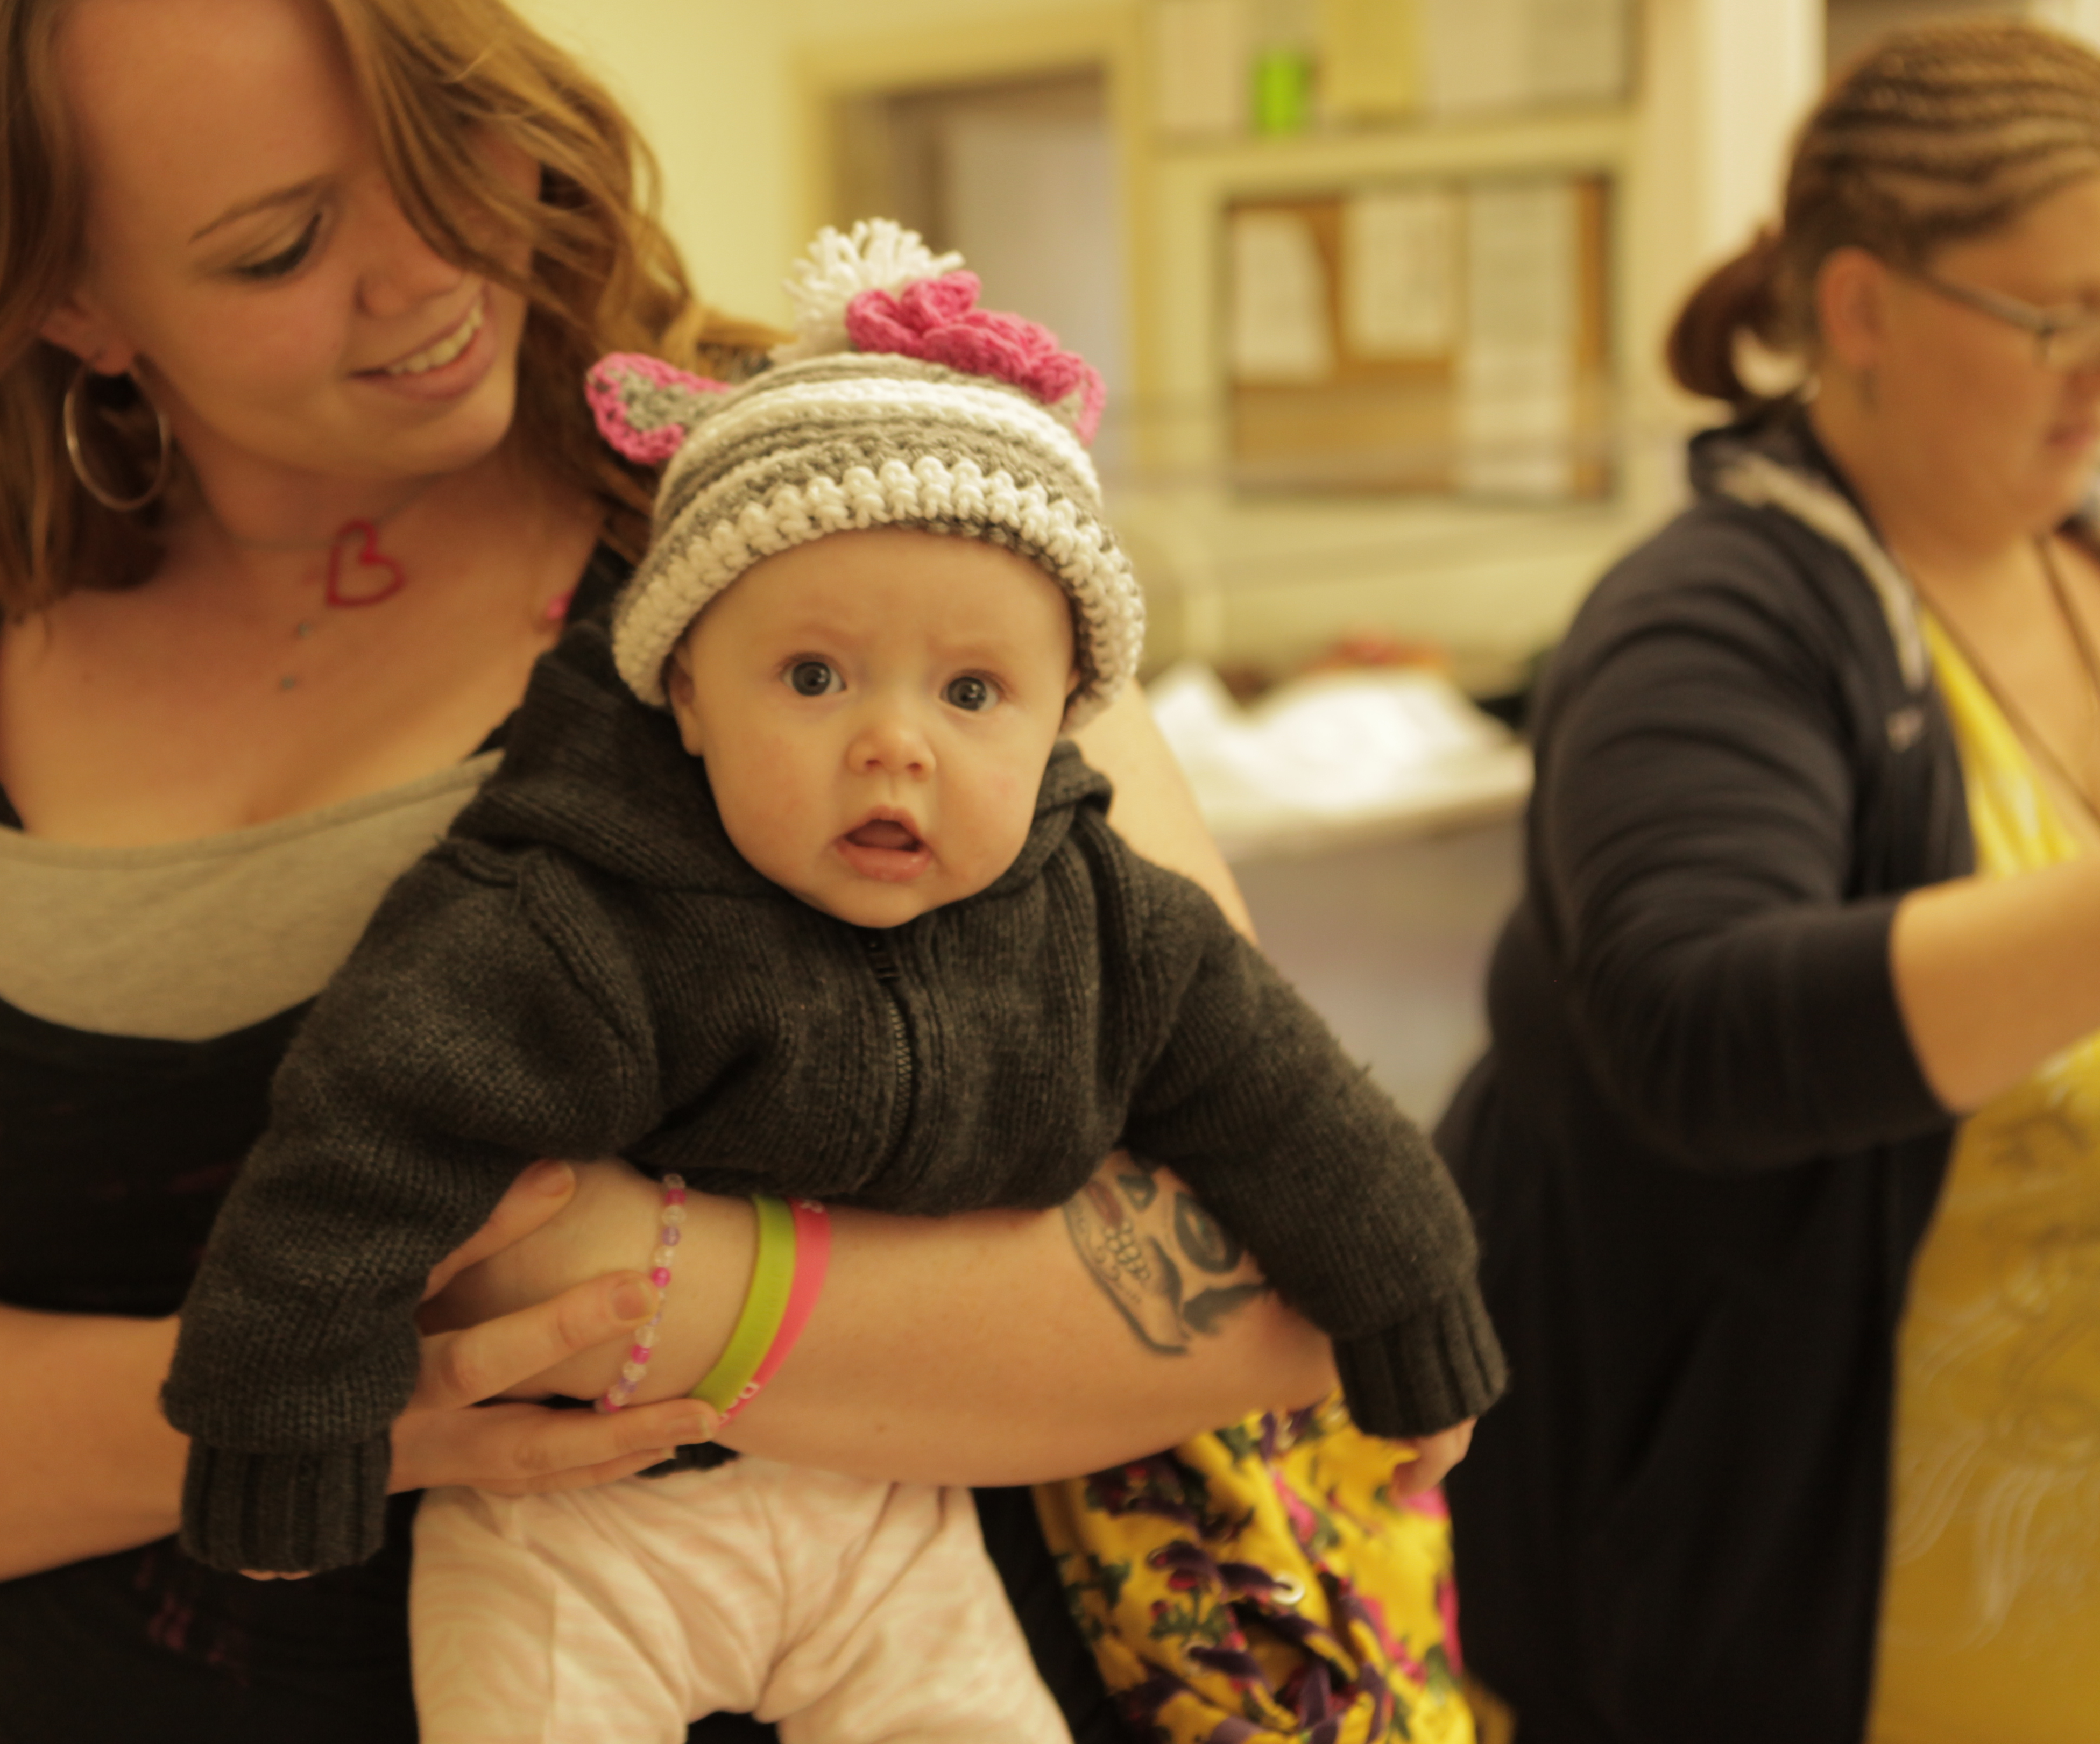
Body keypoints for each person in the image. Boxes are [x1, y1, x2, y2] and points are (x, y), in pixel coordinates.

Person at [0, 0, 1348, 1743]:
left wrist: (667, 1297)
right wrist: (311, 1397)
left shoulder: (827, 508)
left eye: (454, 132)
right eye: (278, 246)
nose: (436, 266)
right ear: (74, 301)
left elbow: (1257, 1241)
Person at [162, 222, 1505, 1742]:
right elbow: (365, 1131)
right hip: (588, 1525)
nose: (895, 743)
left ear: (1067, 712)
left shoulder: (1105, 934)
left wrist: (1416, 1294)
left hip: (898, 1516)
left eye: (973, 691)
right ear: (683, 687)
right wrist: (284, 1414)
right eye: (812, 679)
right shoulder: (583, 915)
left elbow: (1290, 1098)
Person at [1438, 16, 2100, 1742]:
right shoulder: (1720, 617)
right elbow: (1698, 1029)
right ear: (1861, 309)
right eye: (2064, 319)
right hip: (1826, 1620)